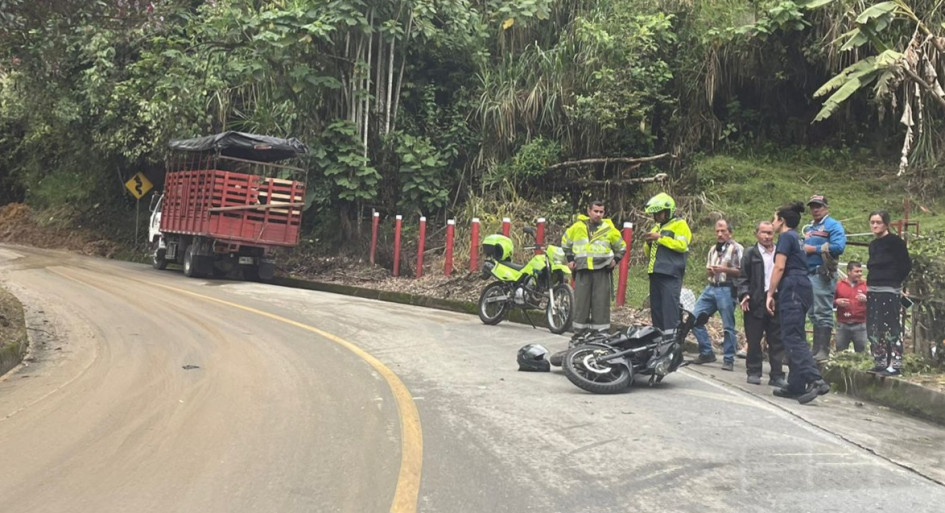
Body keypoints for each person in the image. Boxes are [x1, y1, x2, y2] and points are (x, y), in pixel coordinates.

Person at [766, 202, 830, 404]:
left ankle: (815, 379)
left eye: (774, 219)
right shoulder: (798, 238)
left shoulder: (786, 237)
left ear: (782, 221)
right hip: (803, 287)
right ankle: (796, 384)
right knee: (797, 334)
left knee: (791, 336)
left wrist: (770, 293)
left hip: (792, 287)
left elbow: (779, 267)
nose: (772, 223)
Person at [561, 200, 627, 338]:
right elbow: (565, 243)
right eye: (595, 211)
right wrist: (570, 259)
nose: (598, 214)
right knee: (581, 305)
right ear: (588, 211)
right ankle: (579, 335)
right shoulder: (577, 227)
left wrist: (615, 260)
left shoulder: (609, 229)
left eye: (601, 212)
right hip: (583, 270)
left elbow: (621, 247)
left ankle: (600, 336)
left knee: (601, 305)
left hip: (602, 271)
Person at [735, 221, 786, 387]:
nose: (767, 236)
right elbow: (743, 277)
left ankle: (777, 375)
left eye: (770, 233)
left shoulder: (780, 252)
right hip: (755, 300)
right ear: (756, 234)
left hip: (775, 300)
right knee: (754, 338)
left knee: (776, 340)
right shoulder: (751, 253)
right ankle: (754, 371)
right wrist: (745, 295)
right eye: (763, 232)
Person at [690, 220, 743, 371]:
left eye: (723, 231)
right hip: (711, 287)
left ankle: (728, 359)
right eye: (717, 231)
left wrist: (724, 270)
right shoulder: (713, 249)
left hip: (727, 289)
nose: (719, 234)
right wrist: (711, 270)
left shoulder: (737, 249)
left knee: (728, 326)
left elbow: (742, 271)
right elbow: (708, 269)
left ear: (730, 233)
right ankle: (707, 352)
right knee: (694, 319)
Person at [866, 210, 912, 376]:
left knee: (891, 325)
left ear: (886, 223)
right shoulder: (873, 244)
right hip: (873, 288)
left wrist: (895, 282)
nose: (875, 225)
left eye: (878, 222)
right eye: (872, 222)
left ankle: (895, 363)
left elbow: (905, 264)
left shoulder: (895, 242)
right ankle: (879, 361)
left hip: (889, 288)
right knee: (874, 326)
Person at [802, 194, 847, 361]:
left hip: (822, 274)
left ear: (826, 208)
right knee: (813, 312)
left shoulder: (833, 225)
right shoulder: (809, 228)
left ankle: (823, 350)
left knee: (823, 311)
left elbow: (838, 247)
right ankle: (816, 350)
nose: (815, 209)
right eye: (813, 206)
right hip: (808, 273)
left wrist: (813, 249)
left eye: (818, 206)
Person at [643, 193, 691, 338]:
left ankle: (671, 342)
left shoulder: (680, 224)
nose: (656, 216)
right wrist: (648, 243)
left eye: (659, 213)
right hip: (655, 272)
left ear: (668, 211)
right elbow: (648, 253)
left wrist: (661, 238)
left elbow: (682, 246)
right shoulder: (656, 227)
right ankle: (658, 339)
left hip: (670, 274)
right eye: (655, 214)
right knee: (656, 309)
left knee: (670, 309)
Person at [834, 261, 868, 353]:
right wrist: (836, 301)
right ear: (849, 272)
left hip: (861, 325)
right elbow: (829, 302)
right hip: (843, 324)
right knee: (840, 352)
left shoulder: (866, 286)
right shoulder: (838, 285)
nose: (860, 274)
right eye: (856, 271)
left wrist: (867, 299)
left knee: (862, 353)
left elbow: (874, 304)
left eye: (861, 271)